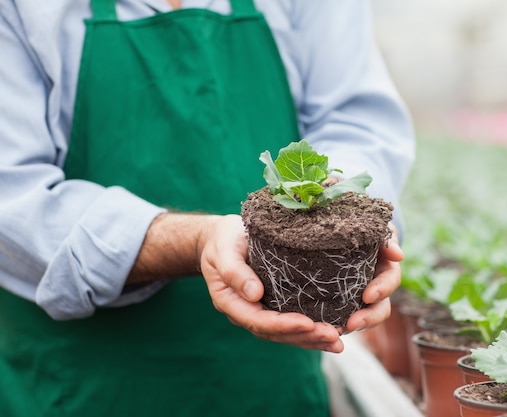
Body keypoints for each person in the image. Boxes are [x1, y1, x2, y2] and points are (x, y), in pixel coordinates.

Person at [0, 0, 415, 416]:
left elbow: (358, 121)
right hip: (78, 389)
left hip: (272, 390)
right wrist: (196, 240)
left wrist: (350, 218)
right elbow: (13, 198)